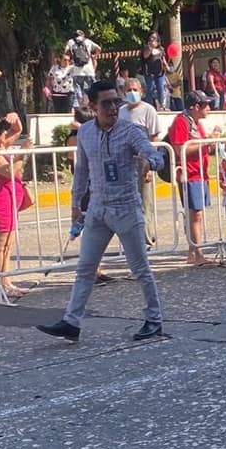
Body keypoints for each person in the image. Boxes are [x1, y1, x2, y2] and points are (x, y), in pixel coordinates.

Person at [36, 81, 165, 342]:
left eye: (115, 102)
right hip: (97, 209)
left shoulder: (131, 131)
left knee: (140, 268)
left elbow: (157, 156)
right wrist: (75, 206)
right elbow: (81, 171)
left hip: (126, 208)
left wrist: (147, 162)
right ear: (92, 106)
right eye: (106, 103)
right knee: (85, 268)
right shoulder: (85, 133)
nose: (113, 108)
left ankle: (154, 319)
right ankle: (71, 322)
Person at [168, 90, 222, 266]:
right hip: (189, 174)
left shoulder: (195, 123)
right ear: (196, 106)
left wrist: (210, 142)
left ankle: (194, 252)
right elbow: (179, 149)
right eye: (207, 105)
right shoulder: (181, 122)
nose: (210, 108)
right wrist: (207, 141)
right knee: (195, 213)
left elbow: (200, 147)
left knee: (197, 213)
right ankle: (197, 253)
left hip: (199, 172)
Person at [65, 107, 115, 286]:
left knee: (98, 229)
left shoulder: (93, 135)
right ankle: (90, 271)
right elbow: (75, 159)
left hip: (96, 185)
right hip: (85, 187)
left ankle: (97, 269)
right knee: (89, 229)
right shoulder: (76, 137)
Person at [118, 78, 160, 248]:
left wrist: (150, 164)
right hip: (124, 162)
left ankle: (146, 238)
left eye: (135, 89)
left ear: (142, 91)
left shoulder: (148, 110)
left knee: (144, 202)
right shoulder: (121, 111)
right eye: (129, 89)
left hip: (142, 161)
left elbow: (153, 138)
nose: (132, 93)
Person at [0, 113, 32, 298]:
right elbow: (9, 171)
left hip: (10, 200)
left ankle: (6, 280)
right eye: (3, 130)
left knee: (8, 245)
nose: (7, 132)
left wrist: (14, 116)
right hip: (0, 201)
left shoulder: (2, 145)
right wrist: (23, 153)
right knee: (0, 246)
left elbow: (18, 128)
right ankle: (1, 282)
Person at [64, 30, 101, 107]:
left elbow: (65, 51)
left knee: (78, 92)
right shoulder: (88, 41)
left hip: (77, 72)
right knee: (91, 90)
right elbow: (99, 48)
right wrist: (95, 56)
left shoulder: (71, 42)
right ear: (83, 35)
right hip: (89, 71)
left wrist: (72, 56)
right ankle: (92, 107)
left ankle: (80, 109)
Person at [141, 31, 168, 109]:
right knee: (150, 89)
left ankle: (162, 106)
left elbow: (163, 58)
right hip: (149, 72)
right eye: (151, 38)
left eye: (154, 38)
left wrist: (166, 65)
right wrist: (151, 47)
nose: (153, 39)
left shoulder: (161, 49)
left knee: (160, 88)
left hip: (160, 72)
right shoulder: (146, 47)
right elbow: (145, 56)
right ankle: (149, 106)